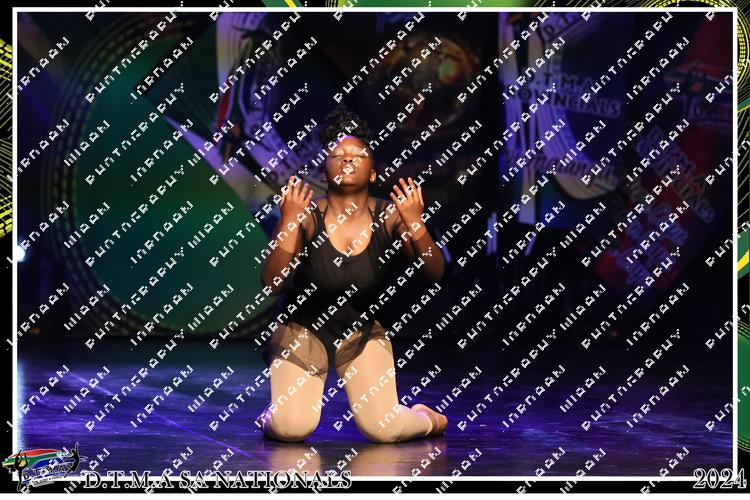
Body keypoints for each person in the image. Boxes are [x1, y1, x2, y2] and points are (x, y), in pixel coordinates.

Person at [256, 104, 448, 443]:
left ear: (373, 173)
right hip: (302, 331)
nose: (347, 158)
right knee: (292, 428)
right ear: (324, 172)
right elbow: (273, 283)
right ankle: (275, 415)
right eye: (337, 155)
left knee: (383, 428)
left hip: (362, 331)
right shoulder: (305, 215)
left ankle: (427, 418)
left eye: (358, 155)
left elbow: (434, 272)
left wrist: (416, 223)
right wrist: (287, 222)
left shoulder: (390, 216)